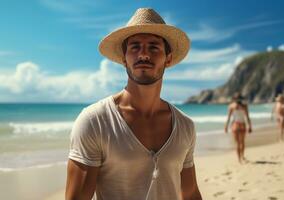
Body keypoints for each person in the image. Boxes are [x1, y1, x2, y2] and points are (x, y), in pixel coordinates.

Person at [65, 8, 202, 200]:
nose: (143, 54)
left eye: (154, 47)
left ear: (168, 59)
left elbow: (190, 193)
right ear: (124, 58)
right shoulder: (95, 121)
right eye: (135, 47)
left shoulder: (185, 126)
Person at [224, 93, 252, 164]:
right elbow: (247, 117)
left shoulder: (231, 106)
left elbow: (229, 118)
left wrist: (226, 126)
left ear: (234, 99)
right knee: (242, 142)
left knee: (237, 143)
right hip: (242, 125)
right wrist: (250, 126)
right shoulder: (244, 106)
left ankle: (239, 159)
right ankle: (242, 156)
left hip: (235, 125)